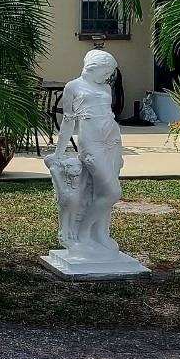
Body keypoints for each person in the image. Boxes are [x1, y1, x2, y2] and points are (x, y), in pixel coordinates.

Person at [44, 49, 125, 258]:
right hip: (92, 142)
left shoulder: (105, 87)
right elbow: (68, 122)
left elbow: (108, 114)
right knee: (112, 192)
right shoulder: (73, 87)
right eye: (107, 71)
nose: (108, 76)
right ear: (94, 67)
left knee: (101, 191)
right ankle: (83, 233)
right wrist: (58, 152)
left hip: (112, 140)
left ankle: (100, 234)